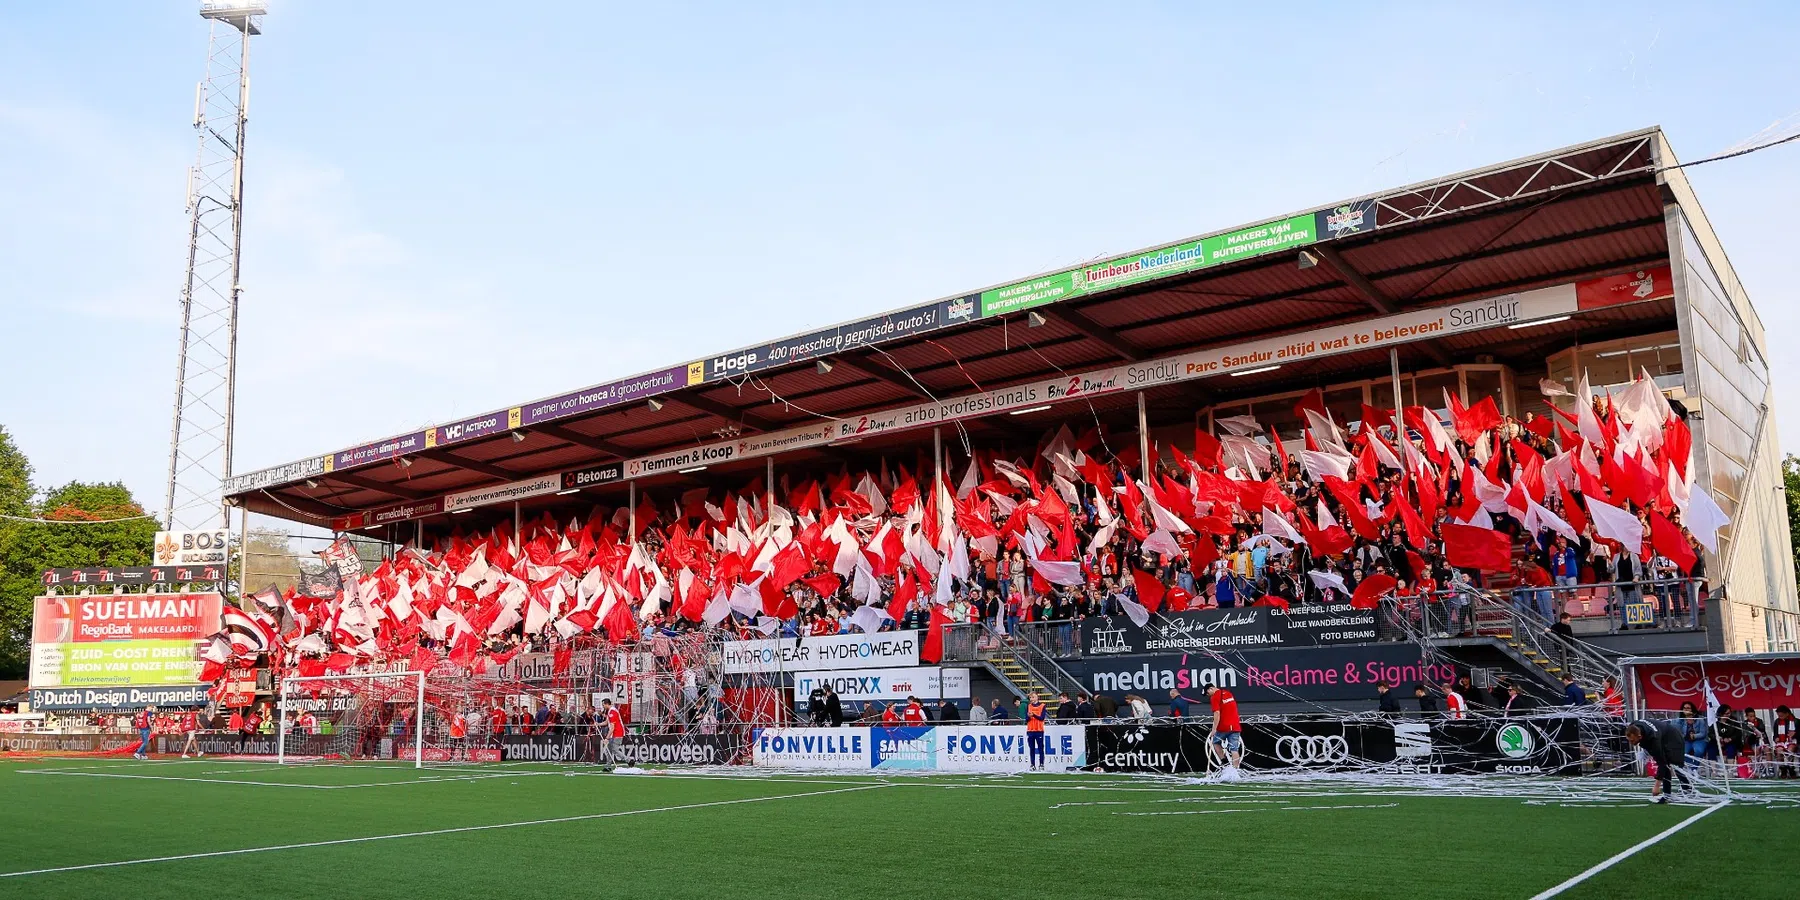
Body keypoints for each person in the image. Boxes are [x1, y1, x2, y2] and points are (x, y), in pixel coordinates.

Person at [1625, 717, 1691, 802]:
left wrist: (1656, 786)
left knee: (1675, 765)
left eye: (1632, 741)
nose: (1631, 743)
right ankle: (1667, 795)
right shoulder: (1632, 727)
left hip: (1674, 738)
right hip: (1663, 735)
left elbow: (1662, 763)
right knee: (1665, 764)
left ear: (1639, 736)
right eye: (1629, 740)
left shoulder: (1653, 739)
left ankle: (1687, 790)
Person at [1204, 684, 1243, 773]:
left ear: (1211, 688)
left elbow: (1217, 713)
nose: (1207, 695)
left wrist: (1214, 729)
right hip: (1235, 726)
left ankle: (1224, 763)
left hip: (1224, 727)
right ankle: (1235, 771)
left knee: (1215, 742)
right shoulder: (1228, 693)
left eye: (1207, 692)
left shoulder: (1214, 697)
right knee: (1234, 749)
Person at [1024, 692, 1048, 771]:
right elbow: (1026, 719)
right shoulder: (1029, 706)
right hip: (1030, 730)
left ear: (1037, 697)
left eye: (1033, 697)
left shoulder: (1042, 706)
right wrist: (1029, 717)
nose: (1032, 699)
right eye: (1030, 697)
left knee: (1041, 748)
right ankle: (1032, 764)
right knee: (1032, 748)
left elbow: (1042, 718)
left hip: (1039, 730)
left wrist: (1033, 715)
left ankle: (1041, 764)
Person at [1772, 706, 1797, 779]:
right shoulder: (1777, 722)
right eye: (1779, 716)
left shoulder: (1796, 721)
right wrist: (1775, 738)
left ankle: (1791, 768)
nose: (1780, 717)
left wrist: (1795, 734)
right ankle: (1783, 769)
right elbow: (1775, 734)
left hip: (1792, 741)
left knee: (1790, 749)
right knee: (1779, 751)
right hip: (1781, 742)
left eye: (1781, 716)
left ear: (1787, 714)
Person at [601, 698, 626, 767]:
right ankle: (608, 765)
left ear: (606, 704)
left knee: (614, 750)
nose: (603, 706)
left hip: (617, 733)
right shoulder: (610, 711)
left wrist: (607, 738)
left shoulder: (612, 712)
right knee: (608, 749)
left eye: (603, 705)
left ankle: (628, 760)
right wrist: (598, 724)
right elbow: (606, 722)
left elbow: (612, 728)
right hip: (614, 734)